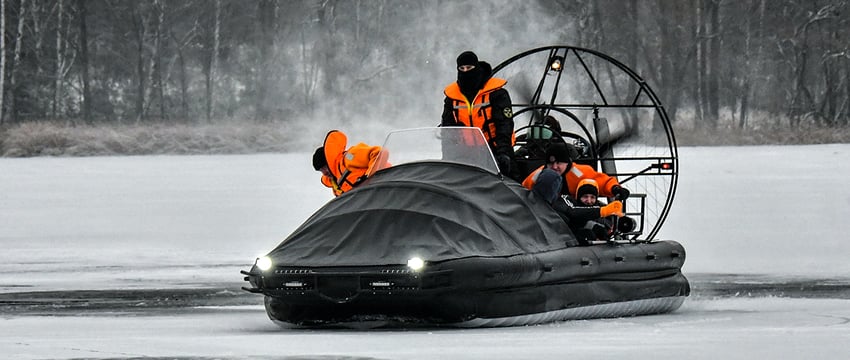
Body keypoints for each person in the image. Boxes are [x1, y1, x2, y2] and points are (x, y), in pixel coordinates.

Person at [441, 51, 517, 178]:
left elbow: (504, 125)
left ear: (476, 67)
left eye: (469, 68)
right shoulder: (451, 98)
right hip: (466, 155)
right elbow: (447, 130)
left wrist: (503, 153)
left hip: (495, 151)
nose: (466, 71)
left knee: (510, 182)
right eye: (462, 68)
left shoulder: (497, 93)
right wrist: (447, 158)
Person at [522, 141, 630, 200]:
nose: (554, 167)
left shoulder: (579, 173)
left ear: (567, 162)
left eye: (559, 163)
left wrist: (615, 189)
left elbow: (601, 182)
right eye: (551, 163)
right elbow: (522, 192)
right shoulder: (538, 175)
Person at [312, 130, 383, 197]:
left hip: (383, 187)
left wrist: (369, 177)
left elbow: (378, 153)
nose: (324, 173)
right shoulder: (334, 184)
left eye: (325, 167)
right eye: (321, 170)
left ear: (330, 160)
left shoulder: (348, 157)